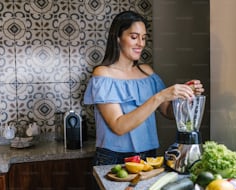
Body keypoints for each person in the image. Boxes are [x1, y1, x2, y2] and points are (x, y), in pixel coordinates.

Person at [83, 11, 204, 166]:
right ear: (118, 38)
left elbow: (167, 112)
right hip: (113, 159)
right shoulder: (103, 74)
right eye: (134, 37)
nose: (141, 43)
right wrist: (160, 96)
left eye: (143, 38)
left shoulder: (147, 72)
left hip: (148, 156)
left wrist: (186, 96)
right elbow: (119, 126)